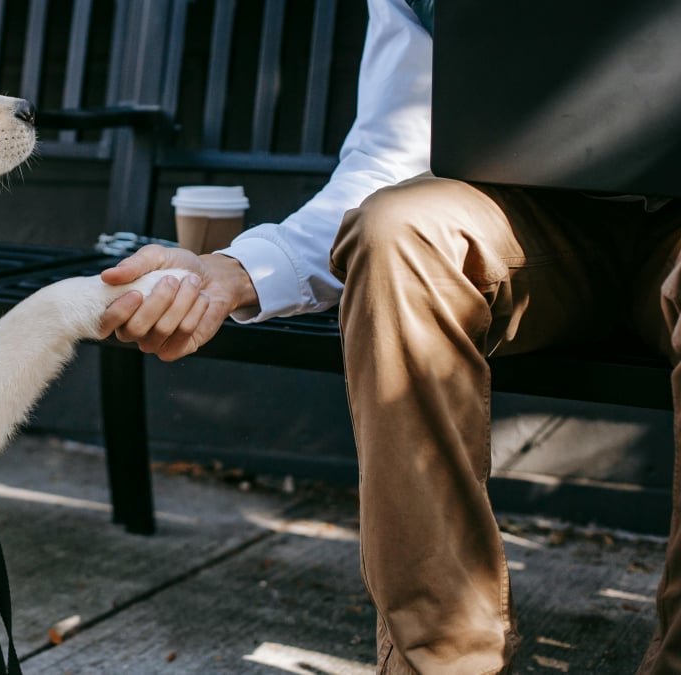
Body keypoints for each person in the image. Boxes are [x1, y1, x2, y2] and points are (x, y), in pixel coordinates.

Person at [97, 0, 681, 672]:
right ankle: (441, 660)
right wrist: (234, 270)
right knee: (396, 230)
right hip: (529, 223)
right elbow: (388, 154)